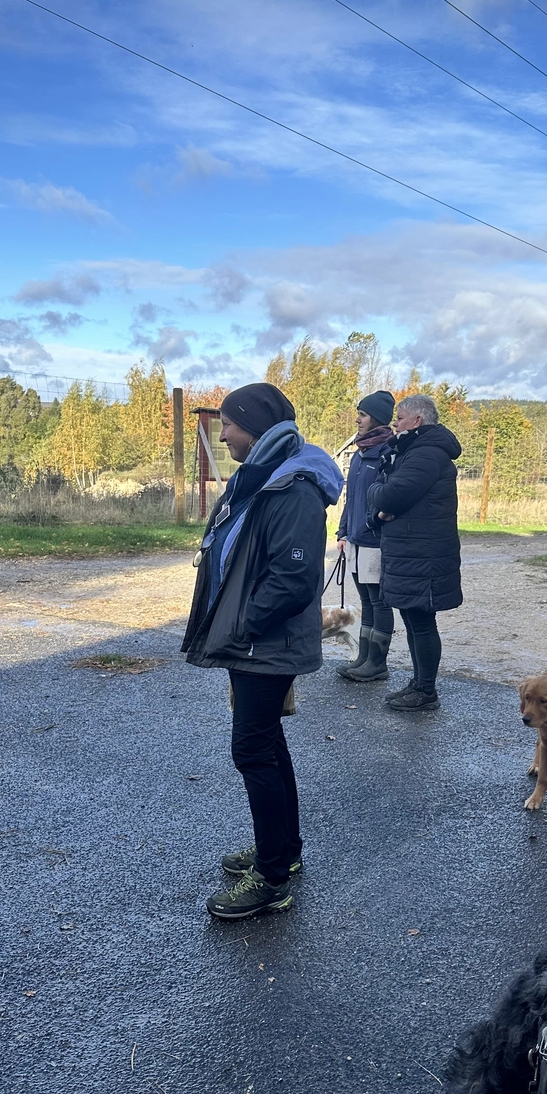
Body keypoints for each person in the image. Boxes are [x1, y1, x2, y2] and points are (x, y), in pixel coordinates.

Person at [180, 382, 344, 921]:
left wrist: (242, 624)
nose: (222, 432)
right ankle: (284, 852)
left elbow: (295, 577)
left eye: (228, 423)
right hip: (255, 641)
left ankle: (271, 878)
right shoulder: (261, 476)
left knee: (252, 749)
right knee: (267, 744)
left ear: (255, 424)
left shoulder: (290, 487)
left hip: (265, 643)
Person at [367, 394, 463, 711]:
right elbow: (386, 495)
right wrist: (379, 508)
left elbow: (391, 494)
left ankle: (426, 691)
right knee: (413, 620)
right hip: (413, 553)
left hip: (423, 556)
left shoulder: (426, 454)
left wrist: (376, 496)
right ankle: (420, 684)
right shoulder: (413, 452)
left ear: (418, 421)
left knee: (421, 622)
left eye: (400, 416)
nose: (395, 422)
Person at [334, 390, 397, 683]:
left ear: (377, 419)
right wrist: (343, 531)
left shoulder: (388, 453)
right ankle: (363, 657)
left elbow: (389, 499)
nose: (357, 419)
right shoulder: (359, 455)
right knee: (366, 600)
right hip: (356, 539)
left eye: (363, 414)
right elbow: (351, 499)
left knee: (379, 601)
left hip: (376, 541)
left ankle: (377, 663)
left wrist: (375, 525)